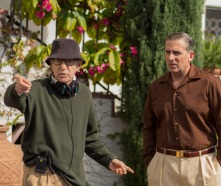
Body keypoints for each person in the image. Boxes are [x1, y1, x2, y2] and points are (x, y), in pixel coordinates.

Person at [4, 38, 134, 186]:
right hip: (43, 177)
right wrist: (17, 90)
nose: (63, 67)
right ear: (51, 64)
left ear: (79, 65)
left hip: (75, 178)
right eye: (58, 61)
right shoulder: (35, 89)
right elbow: (12, 100)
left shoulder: (84, 94)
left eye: (69, 61)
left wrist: (109, 159)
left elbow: (90, 138)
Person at [142, 32, 221, 186]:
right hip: (164, 165)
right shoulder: (156, 87)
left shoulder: (209, 84)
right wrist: (151, 161)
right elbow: (148, 127)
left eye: (176, 53)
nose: (170, 57)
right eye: (167, 52)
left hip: (203, 165)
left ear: (190, 55)